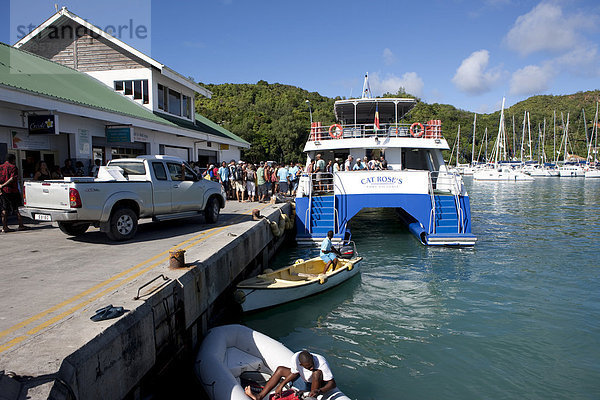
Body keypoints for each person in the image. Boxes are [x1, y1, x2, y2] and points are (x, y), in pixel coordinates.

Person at [244, 350, 337, 400]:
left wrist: (319, 390)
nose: (311, 368)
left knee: (316, 373)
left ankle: (310, 397)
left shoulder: (321, 362)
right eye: (308, 367)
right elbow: (294, 373)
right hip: (304, 380)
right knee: (281, 369)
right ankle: (259, 396)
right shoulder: (296, 359)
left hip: (315, 386)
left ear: (312, 358)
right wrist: (281, 385)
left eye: (312, 365)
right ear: (301, 365)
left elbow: (332, 384)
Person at [0, 154, 26, 233]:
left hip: (4, 191)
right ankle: (21, 225)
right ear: (13, 160)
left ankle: (4, 227)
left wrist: (1, 187)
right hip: (13, 191)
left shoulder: (0, 167)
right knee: (18, 208)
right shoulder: (13, 167)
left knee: (4, 209)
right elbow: (12, 178)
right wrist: (4, 185)